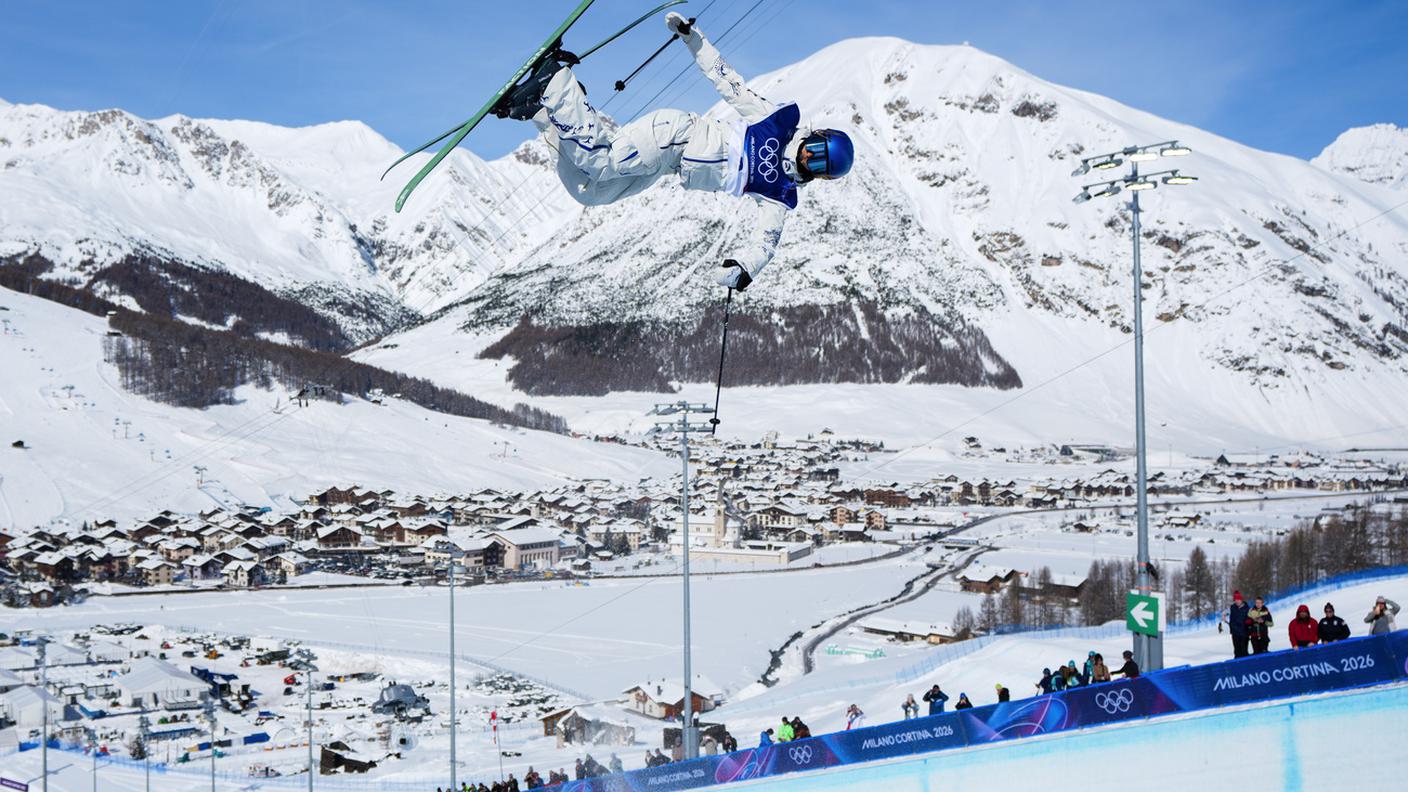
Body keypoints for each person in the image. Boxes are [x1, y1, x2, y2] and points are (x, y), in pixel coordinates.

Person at [493, 12, 857, 293]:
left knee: (591, 192)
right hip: (675, 134)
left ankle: (542, 113)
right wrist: (693, 38)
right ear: (815, 136)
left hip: (668, 165)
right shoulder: (776, 122)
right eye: (816, 149)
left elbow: (765, 243)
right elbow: (727, 81)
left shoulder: (781, 193)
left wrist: (744, 269)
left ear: (822, 177)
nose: (808, 158)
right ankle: (555, 80)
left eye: (818, 164)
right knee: (601, 163)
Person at [1222, 590, 1252, 658]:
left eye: (1238, 599)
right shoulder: (1232, 607)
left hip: (1244, 633)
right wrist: (1224, 615)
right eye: (1235, 600)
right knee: (1237, 651)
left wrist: (1249, 622)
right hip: (1235, 632)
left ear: (1241, 600)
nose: (1237, 601)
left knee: (1244, 651)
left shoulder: (1247, 608)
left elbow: (1251, 618)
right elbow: (1225, 612)